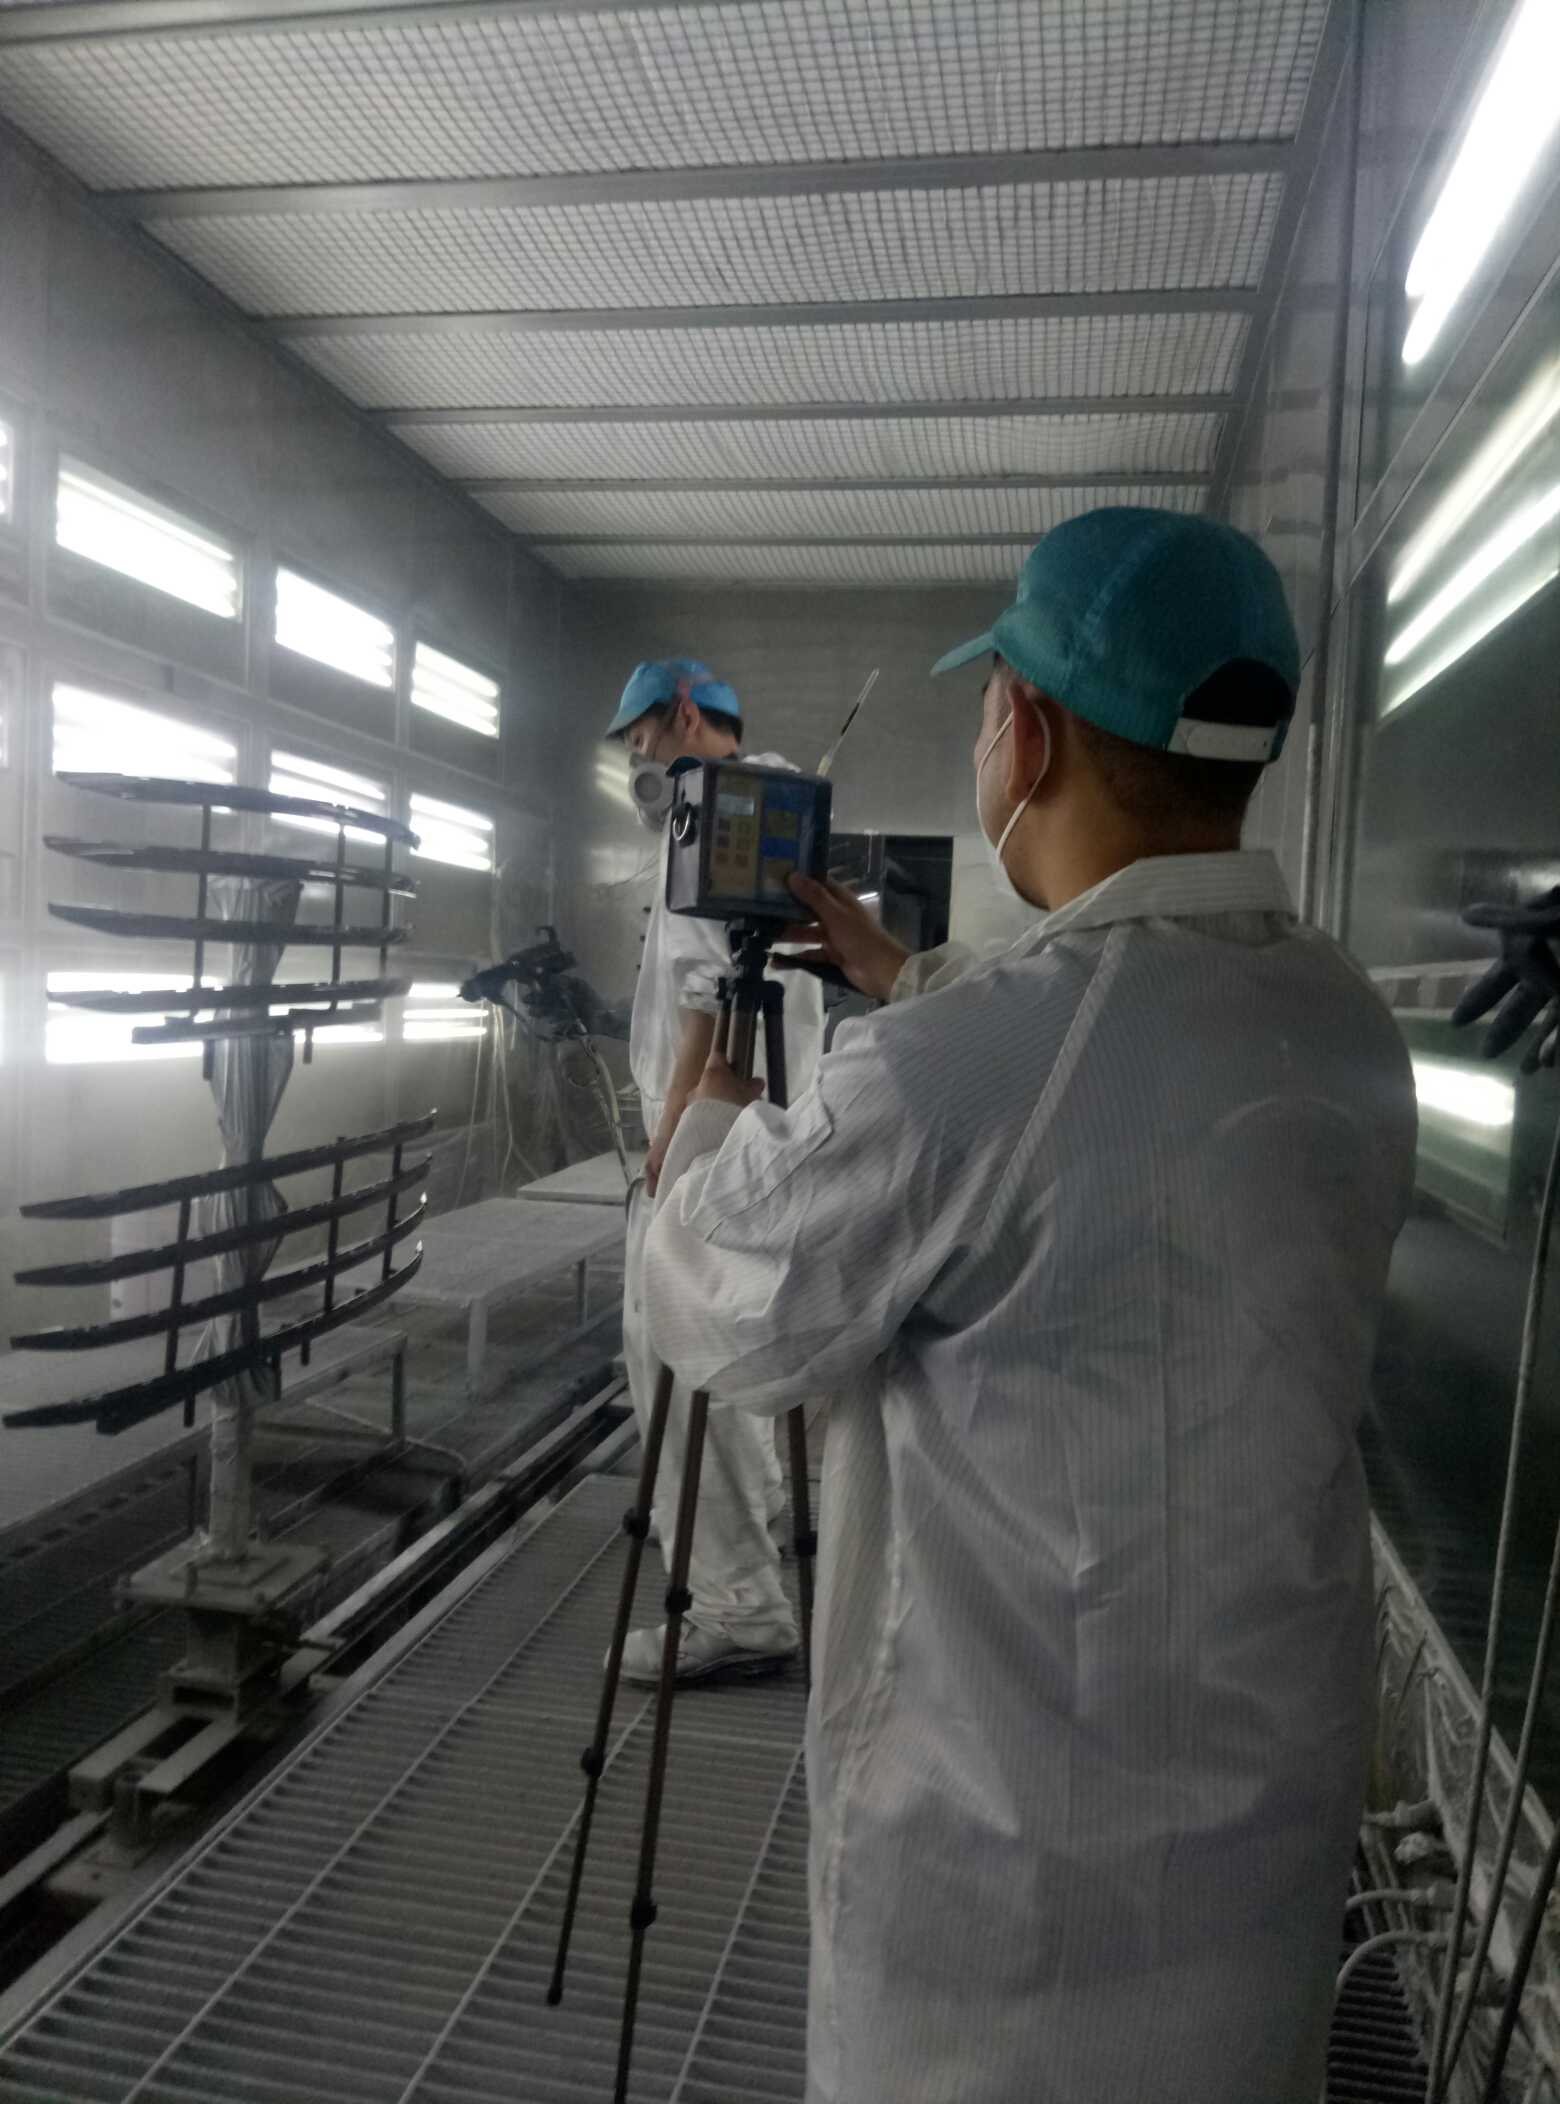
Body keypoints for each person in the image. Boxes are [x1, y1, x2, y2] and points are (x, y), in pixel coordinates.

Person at [641, 512, 1418, 2104]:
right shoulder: (1340, 1018)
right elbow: (1112, 1074)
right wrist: (914, 983)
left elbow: (718, 1308)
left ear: (1031, 730)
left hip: (1001, 1882)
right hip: (1262, 1828)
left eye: (992, 695)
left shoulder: (961, 1070)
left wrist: (703, 1108)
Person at [604, 657, 824, 1684]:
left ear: (684, 714)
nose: (638, 758)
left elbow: (705, 996)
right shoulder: (780, 802)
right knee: (729, 1339)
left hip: (713, 1124)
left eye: (640, 736)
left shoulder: (713, 809)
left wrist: (672, 1141)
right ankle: (757, 1518)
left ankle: (737, 1604)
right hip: (762, 1121)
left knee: (670, 1343)